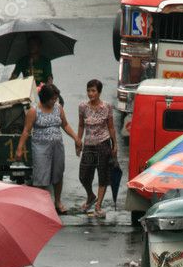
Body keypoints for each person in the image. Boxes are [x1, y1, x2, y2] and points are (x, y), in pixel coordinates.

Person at [16, 84, 77, 213]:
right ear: (44, 98)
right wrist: (19, 148)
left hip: (57, 147)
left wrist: (75, 138)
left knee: (58, 174)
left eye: (55, 98)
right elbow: (26, 130)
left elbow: (65, 125)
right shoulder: (34, 111)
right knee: (41, 177)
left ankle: (58, 202)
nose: (54, 101)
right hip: (41, 148)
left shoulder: (58, 108)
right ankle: (43, 205)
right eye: (51, 99)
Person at [76, 79, 118, 218]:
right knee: (84, 175)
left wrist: (115, 144)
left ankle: (98, 206)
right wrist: (78, 141)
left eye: (93, 91)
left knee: (103, 176)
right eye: (88, 90)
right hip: (89, 145)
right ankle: (90, 196)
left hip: (103, 144)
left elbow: (111, 127)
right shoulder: (82, 107)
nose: (90, 93)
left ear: (99, 92)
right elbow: (81, 125)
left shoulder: (106, 106)